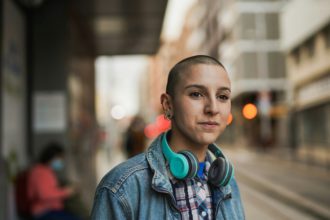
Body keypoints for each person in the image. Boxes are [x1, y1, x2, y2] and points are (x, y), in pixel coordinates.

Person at [91, 55, 245, 219]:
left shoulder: (228, 184)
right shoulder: (121, 188)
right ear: (168, 105)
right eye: (196, 94)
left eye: (222, 97)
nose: (213, 109)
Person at [27, 142, 79, 220]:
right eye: (60, 158)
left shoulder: (46, 171)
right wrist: (66, 192)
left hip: (52, 210)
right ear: (52, 157)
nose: (62, 161)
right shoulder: (40, 171)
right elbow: (44, 194)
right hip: (44, 212)